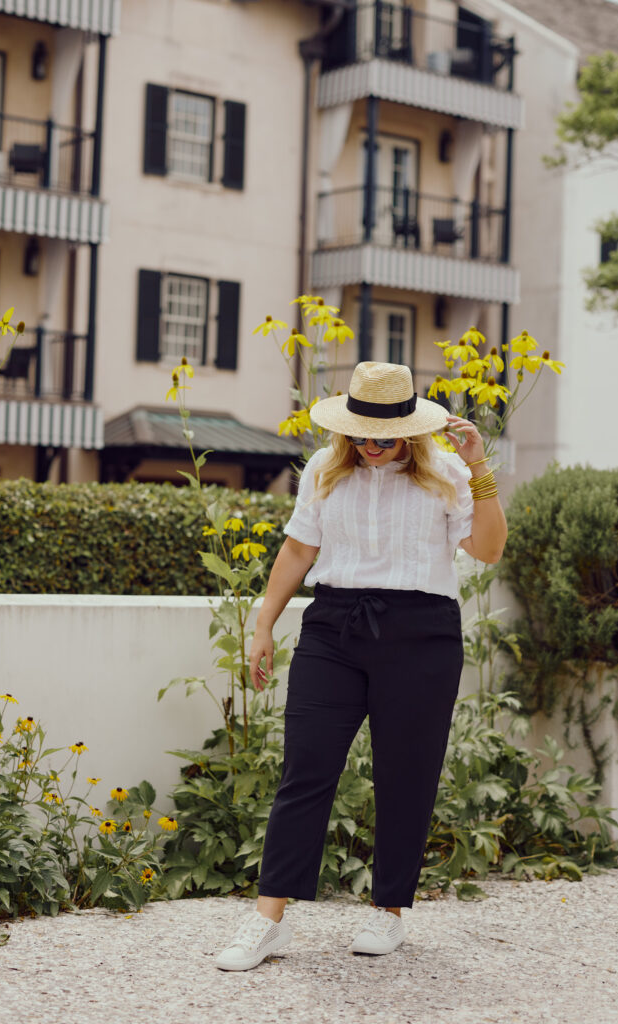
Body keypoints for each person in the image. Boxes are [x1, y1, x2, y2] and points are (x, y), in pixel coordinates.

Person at [215, 361, 507, 972]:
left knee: (406, 772)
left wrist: (478, 467)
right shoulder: (324, 469)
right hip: (334, 629)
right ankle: (269, 919)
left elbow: (486, 548)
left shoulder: (447, 472)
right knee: (307, 766)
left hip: (423, 632)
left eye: (386, 437)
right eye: (361, 435)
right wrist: (263, 624)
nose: (372, 447)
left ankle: (389, 910)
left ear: (411, 431)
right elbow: (298, 548)